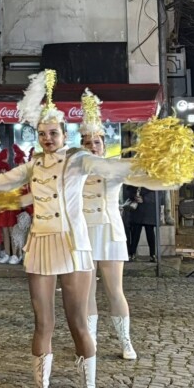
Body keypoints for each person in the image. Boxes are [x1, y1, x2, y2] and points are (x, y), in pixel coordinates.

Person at [0, 71, 140, 388]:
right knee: (42, 324)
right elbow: (1, 181)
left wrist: (151, 164)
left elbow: (112, 168)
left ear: (64, 134)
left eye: (53, 133)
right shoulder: (34, 164)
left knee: (78, 322)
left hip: (73, 246)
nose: (47, 139)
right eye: (42, 134)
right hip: (40, 246)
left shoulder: (78, 159)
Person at [79, 89, 169, 361]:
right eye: (87, 142)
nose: (92, 146)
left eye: (96, 142)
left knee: (115, 290)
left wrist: (166, 171)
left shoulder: (115, 166)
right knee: (86, 292)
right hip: (83, 233)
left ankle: (125, 341)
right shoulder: (74, 170)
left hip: (109, 231)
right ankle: (90, 341)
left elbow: (144, 175)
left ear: (104, 145)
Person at [127, 186, 158, 262]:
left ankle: (152, 254)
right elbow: (129, 189)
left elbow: (157, 192)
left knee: (150, 233)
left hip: (148, 209)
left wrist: (144, 199)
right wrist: (134, 196)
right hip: (137, 208)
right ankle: (132, 253)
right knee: (135, 233)